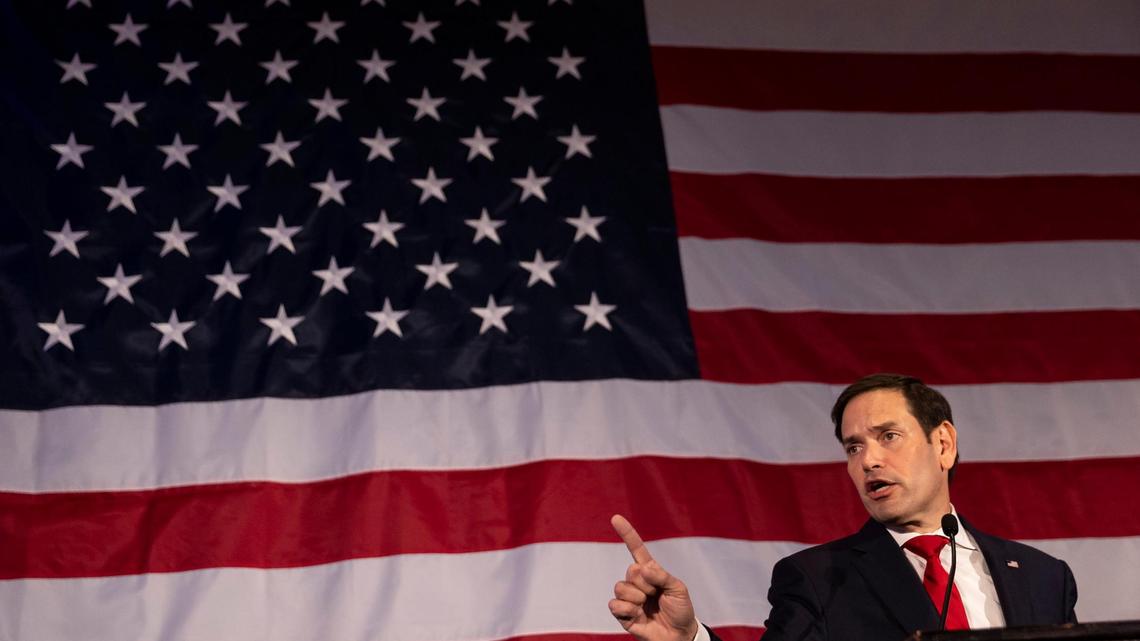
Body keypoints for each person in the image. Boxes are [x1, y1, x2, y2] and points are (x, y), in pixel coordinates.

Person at [608, 373, 1077, 641]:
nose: (869, 459)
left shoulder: (1042, 576)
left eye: (888, 436)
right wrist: (689, 640)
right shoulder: (816, 579)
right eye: (853, 448)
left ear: (944, 443)